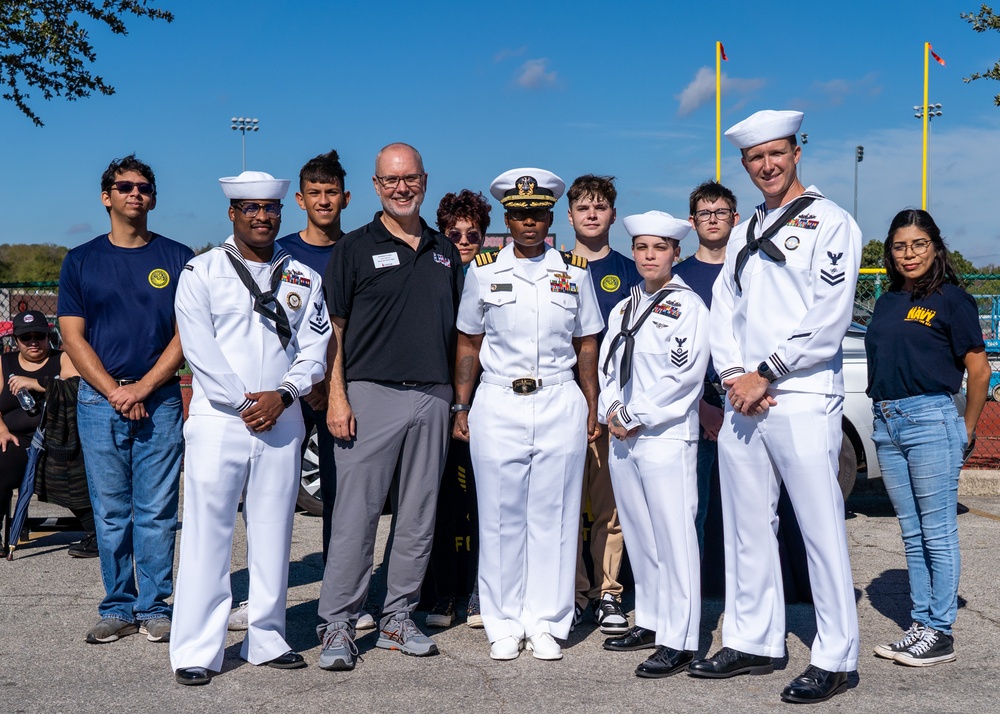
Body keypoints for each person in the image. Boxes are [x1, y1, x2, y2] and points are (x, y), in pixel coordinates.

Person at [689, 110, 861, 704]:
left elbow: (829, 316)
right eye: (755, 158)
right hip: (745, 401)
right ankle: (753, 639)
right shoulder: (740, 231)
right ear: (745, 165)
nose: (767, 165)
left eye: (776, 154)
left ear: (796, 152)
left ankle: (836, 656)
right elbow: (724, 311)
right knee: (744, 527)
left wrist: (766, 374)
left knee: (818, 528)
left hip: (802, 395)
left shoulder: (831, 222)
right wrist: (735, 374)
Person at [169, 170, 330, 686]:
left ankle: (266, 637)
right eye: (251, 209)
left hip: (281, 420)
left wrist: (282, 396)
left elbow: (315, 350)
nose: (263, 217)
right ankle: (197, 648)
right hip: (221, 421)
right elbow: (199, 350)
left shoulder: (304, 276)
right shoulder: (202, 271)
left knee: (273, 532)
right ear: (233, 214)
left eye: (271, 209)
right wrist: (243, 402)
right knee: (206, 536)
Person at [316, 143, 463, 671]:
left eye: (411, 178)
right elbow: (334, 328)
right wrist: (337, 394)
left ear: (424, 181)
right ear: (376, 187)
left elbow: (460, 335)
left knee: (418, 519)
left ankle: (398, 617)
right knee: (356, 518)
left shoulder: (446, 250)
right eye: (391, 180)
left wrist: (458, 401)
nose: (402, 188)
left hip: (434, 395)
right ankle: (337, 621)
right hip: (369, 394)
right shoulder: (354, 248)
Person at [453, 168, 603, 662]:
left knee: (555, 517)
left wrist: (592, 402)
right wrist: (461, 403)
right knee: (499, 517)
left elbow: (586, 344)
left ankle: (547, 621)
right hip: (497, 402)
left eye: (537, 213)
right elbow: (469, 341)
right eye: (519, 214)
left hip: (560, 400)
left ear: (550, 215)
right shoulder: (484, 270)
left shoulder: (575, 271)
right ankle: (502, 621)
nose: (529, 223)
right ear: (507, 218)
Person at [58, 155, 192, 645]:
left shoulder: (178, 258)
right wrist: (115, 390)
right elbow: (72, 335)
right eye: (125, 186)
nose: (136, 193)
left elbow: (186, 334)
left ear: (153, 197)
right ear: (106, 196)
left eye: (144, 186)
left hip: (159, 401)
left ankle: (155, 606)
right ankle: (117, 606)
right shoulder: (81, 260)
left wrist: (143, 388)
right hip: (99, 403)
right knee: (111, 511)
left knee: (157, 510)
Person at [228, 150, 357, 634]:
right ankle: (260, 600)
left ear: (346, 197)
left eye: (332, 193)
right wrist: (299, 388)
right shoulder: (276, 252)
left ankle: (342, 599)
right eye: (315, 193)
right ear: (300, 199)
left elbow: (340, 331)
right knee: (265, 503)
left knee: (341, 501)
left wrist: (331, 387)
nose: (324, 201)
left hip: (340, 392)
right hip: (284, 398)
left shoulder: (357, 247)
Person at [865, 209, 989, 667]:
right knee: (913, 532)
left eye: (918, 244)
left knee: (937, 531)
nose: (909, 254)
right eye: (900, 246)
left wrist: (967, 429)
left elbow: (979, 370)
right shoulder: (887, 301)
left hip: (929, 418)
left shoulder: (951, 298)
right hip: (886, 421)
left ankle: (940, 630)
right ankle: (921, 624)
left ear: (935, 246)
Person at [599, 211, 709, 678]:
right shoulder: (625, 305)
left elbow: (684, 378)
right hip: (623, 437)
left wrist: (634, 414)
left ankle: (680, 639)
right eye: (642, 248)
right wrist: (612, 409)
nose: (649, 255)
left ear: (676, 253)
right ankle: (651, 619)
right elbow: (607, 367)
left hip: (663, 436)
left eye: (659, 248)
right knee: (641, 535)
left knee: (674, 538)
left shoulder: (688, 306)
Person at [566, 174, 640, 636]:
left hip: (611, 408)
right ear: (569, 215)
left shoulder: (631, 270)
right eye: (583, 207)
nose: (592, 214)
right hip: (559, 403)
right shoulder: (551, 265)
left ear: (612, 213)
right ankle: (571, 593)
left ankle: (608, 592)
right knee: (564, 507)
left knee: (609, 508)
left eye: (600, 207)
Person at [425, 189, 491, 630]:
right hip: (440, 401)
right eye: (455, 233)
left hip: (488, 400)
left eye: (473, 233)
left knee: (487, 502)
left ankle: (481, 593)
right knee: (444, 503)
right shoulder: (434, 273)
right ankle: (444, 591)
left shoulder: (493, 275)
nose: (464, 240)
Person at [673, 181, 739, 552]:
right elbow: (668, 355)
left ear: (735, 218)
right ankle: (694, 602)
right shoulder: (678, 279)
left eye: (720, 212)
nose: (713, 220)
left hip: (748, 401)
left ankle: (745, 603)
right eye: (704, 213)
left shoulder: (752, 271)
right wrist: (699, 406)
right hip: (696, 405)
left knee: (750, 510)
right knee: (692, 510)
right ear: (692, 221)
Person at [1, 311, 82, 553]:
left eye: (39, 336)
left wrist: (35, 383)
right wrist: (2, 429)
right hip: (19, 438)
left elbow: (74, 386)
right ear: (16, 340)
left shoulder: (63, 358)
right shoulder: (5, 362)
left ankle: (94, 531)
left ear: (49, 336)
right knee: (2, 460)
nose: (33, 342)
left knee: (75, 470)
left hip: (60, 438)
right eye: (26, 337)